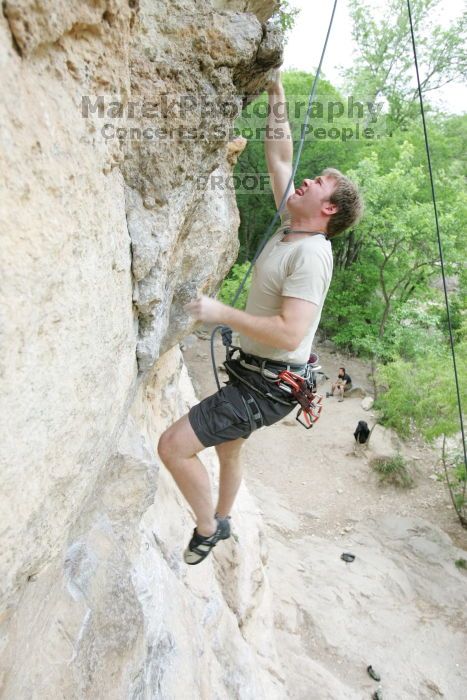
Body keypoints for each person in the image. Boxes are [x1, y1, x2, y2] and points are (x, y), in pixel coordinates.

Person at [157, 71, 364, 564]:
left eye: (320, 183)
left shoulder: (311, 255)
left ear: (328, 207)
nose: (307, 179)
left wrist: (220, 312)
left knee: (172, 446)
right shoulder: (293, 224)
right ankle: (224, 515)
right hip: (257, 375)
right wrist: (276, 93)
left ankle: (208, 528)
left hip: (267, 386)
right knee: (229, 448)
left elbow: (291, 330)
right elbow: (280, 155)